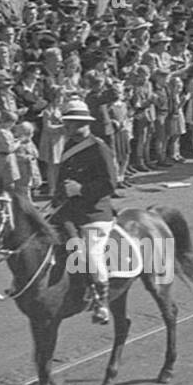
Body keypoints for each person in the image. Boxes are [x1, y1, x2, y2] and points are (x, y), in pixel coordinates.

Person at [52, 98, 118, 325]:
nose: (66, 126)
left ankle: (101, 301)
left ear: (83, 122)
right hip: (69, 210)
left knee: (91, 254)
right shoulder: (69, 145)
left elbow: (110, 183)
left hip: (93, 211)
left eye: (70, 122)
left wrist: (81, 190)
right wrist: (58, 196)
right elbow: (63, 178)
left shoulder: (99, 147)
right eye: (66, 122)